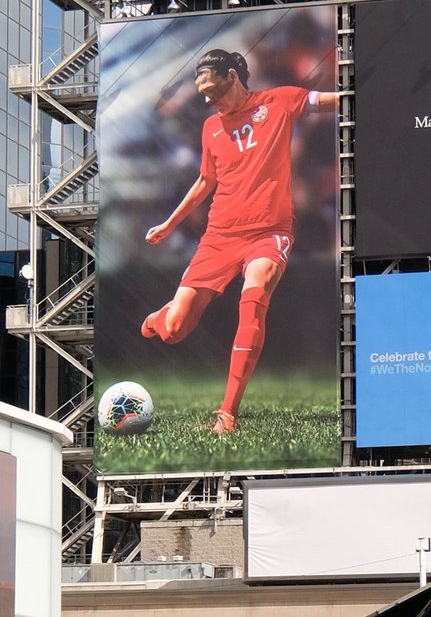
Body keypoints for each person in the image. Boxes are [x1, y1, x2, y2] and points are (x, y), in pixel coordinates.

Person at [141, 47, 338, 433]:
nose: (206, 98)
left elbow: (328, 101)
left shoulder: (279, 101)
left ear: (233, 76)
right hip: (219, 237)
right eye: (202, 93)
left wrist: (375, 89)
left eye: (211, 88)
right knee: (176, 330)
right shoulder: (210, 127)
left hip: (270, 231)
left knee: (254, 299)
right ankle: (158, 318)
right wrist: (169, 223)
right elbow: (204, 182)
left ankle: (227, 412)